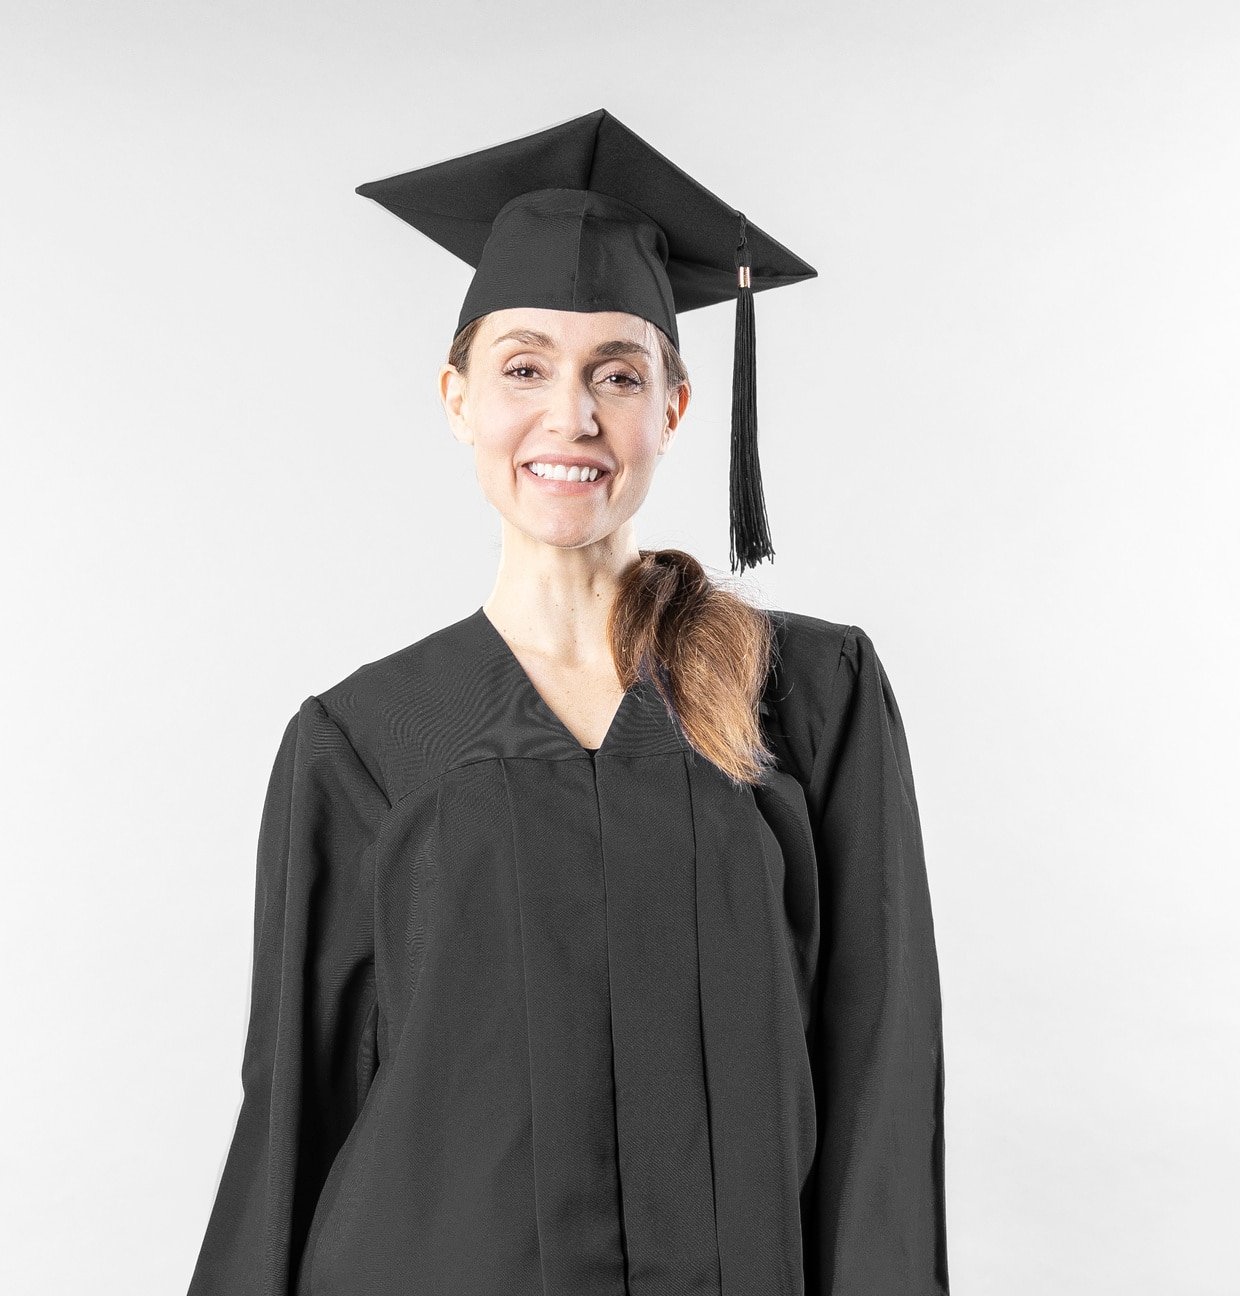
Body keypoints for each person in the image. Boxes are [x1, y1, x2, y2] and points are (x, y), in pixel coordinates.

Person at [185, 108, 949, 1296]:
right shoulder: (363, 740)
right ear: (457, 398)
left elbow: (877, 1080)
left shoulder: (805, 694)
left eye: (618, 374)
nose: (572, 416)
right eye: (525, 367)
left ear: (675, 410)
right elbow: (292, 1124)